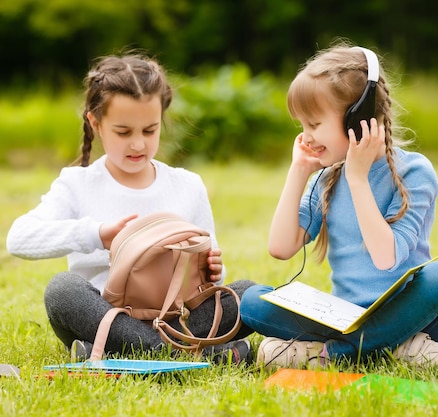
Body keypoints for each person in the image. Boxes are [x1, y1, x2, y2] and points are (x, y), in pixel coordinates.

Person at [6, 53, 255, 364]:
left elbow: (209, 281)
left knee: (250, 294)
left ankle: (126, 352)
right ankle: (181, 351)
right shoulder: (77, 183)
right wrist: (98, 235)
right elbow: (18, 239)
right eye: (124, 132)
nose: (138, 144)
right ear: (95, 123)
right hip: (107, 318)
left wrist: (213, 270)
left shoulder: (187, 185)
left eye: (149, 131)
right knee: (62, 291)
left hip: (174, 319)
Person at [239, 43, 438, 369]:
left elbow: (386, 258)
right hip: (346, 317)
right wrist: (298, 171)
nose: (305, 137)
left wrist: (358, 179)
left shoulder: (415, 172)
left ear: (358, 119)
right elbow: (281, 247)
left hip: (408, 314)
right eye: (301, 125)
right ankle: (398, 351)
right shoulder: (325, 178)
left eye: (314, 125)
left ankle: (328, 355)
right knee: (252, 301)